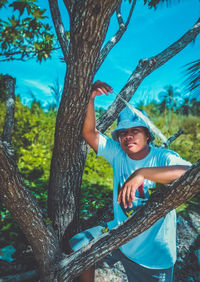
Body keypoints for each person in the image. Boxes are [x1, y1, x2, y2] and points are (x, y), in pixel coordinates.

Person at [69, 81, 191, 282]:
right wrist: (90, 98)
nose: (128, 136)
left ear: (147, 134)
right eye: (123, 132)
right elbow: (89, 133)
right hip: (120, 235)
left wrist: (143, 173)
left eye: (135, 130)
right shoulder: (118, 154)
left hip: (152, 258)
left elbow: (189, 172)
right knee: (79, 245)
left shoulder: (163, 157)